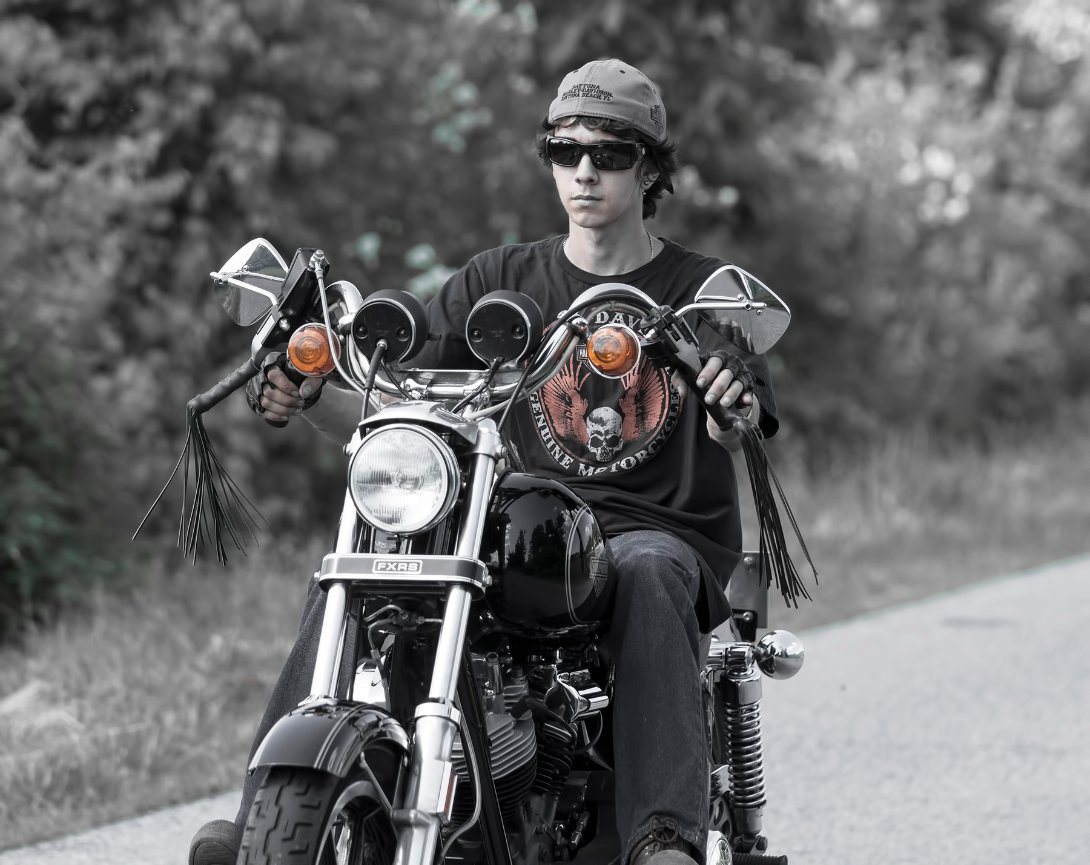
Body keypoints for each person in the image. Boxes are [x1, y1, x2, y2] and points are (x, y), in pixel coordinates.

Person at [190, 58, 779, 865]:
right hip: (517, 528)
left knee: (647, 570)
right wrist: (312, 386)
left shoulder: (698, 290)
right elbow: (394, 405)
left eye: (609, 154)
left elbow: (735, 420)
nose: (584, 171)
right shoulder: (499, 282)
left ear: (649, 168)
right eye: (566, 151)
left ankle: (662, 840)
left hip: (651, 530)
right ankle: (267, 815)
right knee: (364, 570)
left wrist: (727, 403)